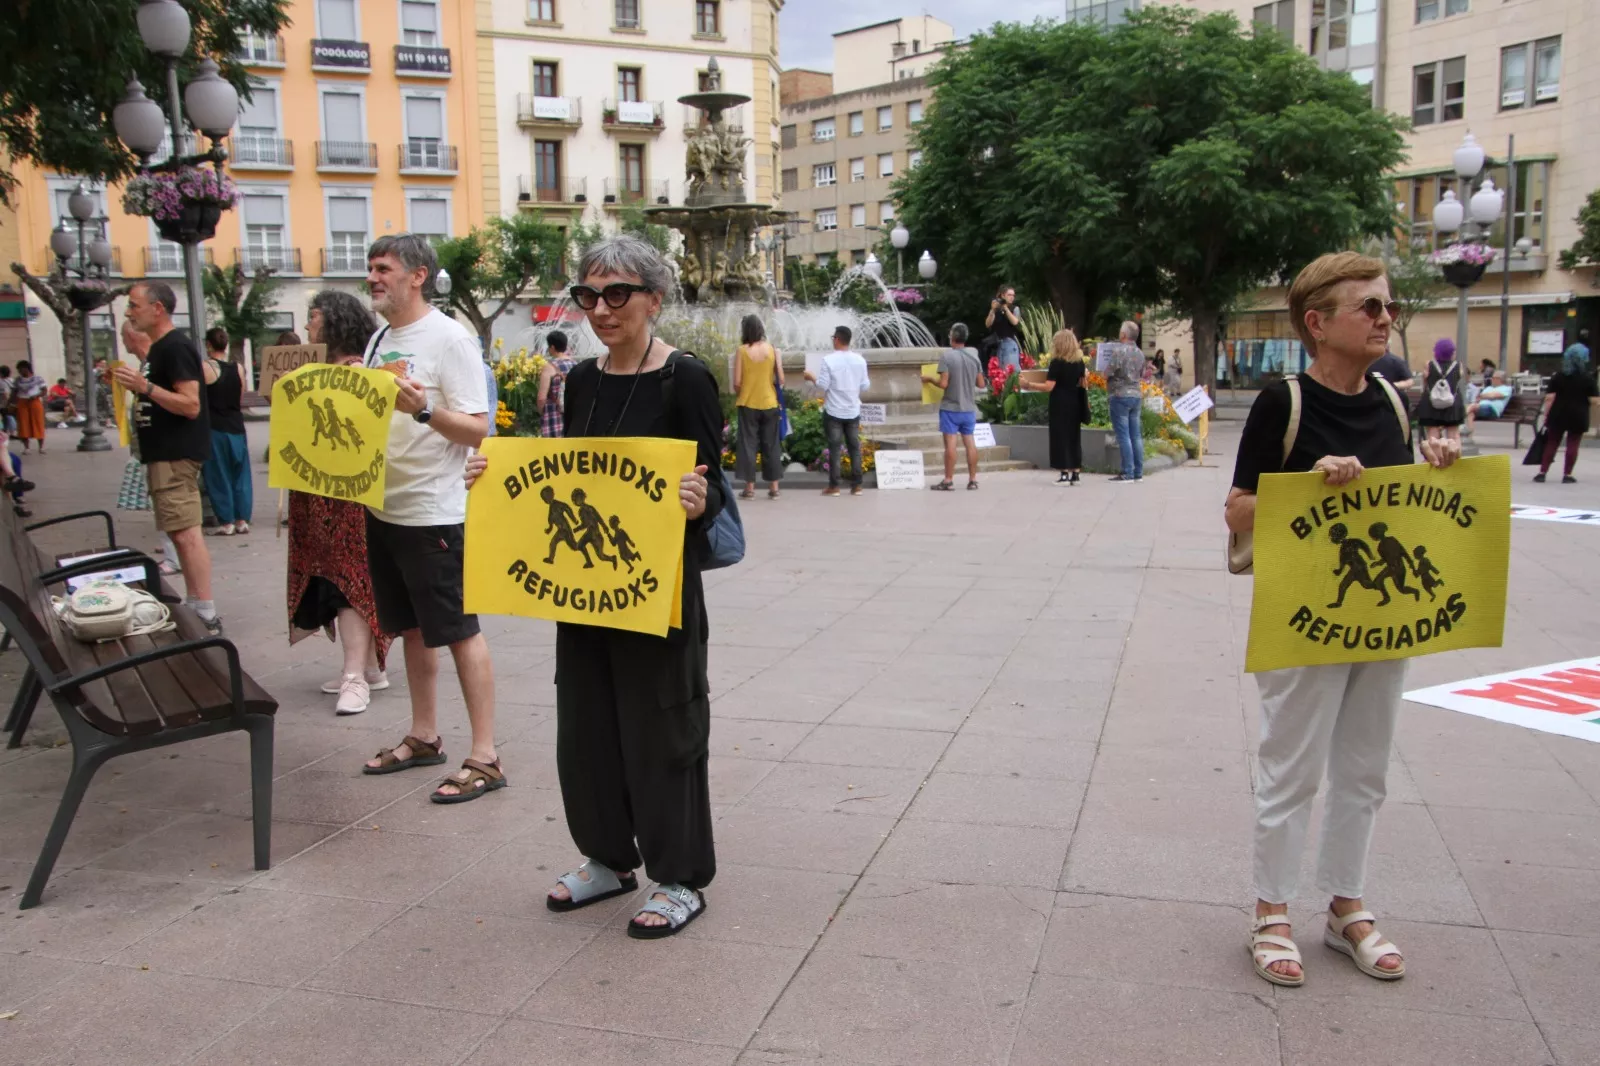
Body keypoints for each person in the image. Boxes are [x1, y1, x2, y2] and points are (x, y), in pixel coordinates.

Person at [464, 234, 725, 938]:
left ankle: (679, 875)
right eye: (588, 295)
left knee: (663, 727)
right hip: (582, 594)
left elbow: (716, 492)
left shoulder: (685, 379)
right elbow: (564, 478)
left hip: (657, 593)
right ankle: (607, 860)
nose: (600, 310)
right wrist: (492, 488)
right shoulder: (579, 380)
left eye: (617, 294)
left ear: (654, 299)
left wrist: (699, 503)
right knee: (587, 729)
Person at [1225, 250, 1461, 989]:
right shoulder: (1283, 403)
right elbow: (1236, 513)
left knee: (1365, 768)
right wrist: (1306, 489)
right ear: (1318, 323)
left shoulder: (1394, 399)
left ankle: (1346, 907)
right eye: (1370, 307)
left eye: (1387, 306)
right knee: (1291, 767)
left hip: (1384, 618)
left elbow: (1405, 505)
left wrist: (1440, 467)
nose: (1386, 319)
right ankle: (1271, 910)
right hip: (1306, 619)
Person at [355, 235, 497, 801]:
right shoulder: (380, 338)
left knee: (459, 631)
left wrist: (423, 410)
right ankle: (425, 735)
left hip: (435, 512)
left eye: (383, 268)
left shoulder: (450, 339)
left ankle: (486, 756)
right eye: (369, 268)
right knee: (412, 630)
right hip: (384, 507)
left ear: (417, 276)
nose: (373, 278)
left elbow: (478, 426)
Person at [287, 290, 393, 715]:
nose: (308, 326)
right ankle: (368, 667)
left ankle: (355, 676)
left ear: (333, 322)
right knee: (336, 576)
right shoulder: (315, 370)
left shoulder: (357, 371)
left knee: (348, 578)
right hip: (318, 492)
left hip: (348, 498)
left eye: (313, 318)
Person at [111, 282, 223, 635]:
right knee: (178, 531)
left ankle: (204, 608)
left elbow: (190, 404)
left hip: (176, 454)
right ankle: (196, 603)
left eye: (134, 305)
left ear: (157, 308)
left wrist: (145, 388)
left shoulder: (174, 347)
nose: (129, 312)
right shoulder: (163, 348)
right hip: (165, 454)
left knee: (186, 532)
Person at [198, 327, 253, 536]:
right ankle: (242, 520)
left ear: (209, 345)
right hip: (237, 426)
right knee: (241, 474)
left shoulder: (205, 367)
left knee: (218, 474)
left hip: (215, 427)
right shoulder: (237, 368)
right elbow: (240, 398)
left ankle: (227, 521)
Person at [805, 324, 870, 497]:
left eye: (833, 337)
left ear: (837, 339)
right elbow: (865, 385)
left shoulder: (828, 360)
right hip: (853, 410)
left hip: (833, 410)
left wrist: (811, 377)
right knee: (854, 448)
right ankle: (857, 486)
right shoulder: (860, 360)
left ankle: (834, 486)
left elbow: (823, 386)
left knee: (835, 448)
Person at [1018, 329, 1086, 485]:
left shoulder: (1057, 363)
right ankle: (1075, 474)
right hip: (1075, 400)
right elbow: (1083, 383)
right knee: (1074, 437)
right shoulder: (1079, 362)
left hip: (1060, 402)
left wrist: (1029, 385)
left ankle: (1063, 474)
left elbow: (1049, 386)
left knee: (1060, 437)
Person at [923, 323, 984, 491]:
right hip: (969, 408)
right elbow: (981, 383)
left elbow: (943, 384)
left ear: (953, 337)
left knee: (950, 444)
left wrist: (929, 379)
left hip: (950, 407)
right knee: (970, 442)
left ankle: (948, 480)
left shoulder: (947, 357)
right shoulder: (974, 356)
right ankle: (972, 480)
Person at [732, 313, 783, 500]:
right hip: (770, 402)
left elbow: (737, 382)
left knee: (748, 445)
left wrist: (743, 390)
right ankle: (774, 488)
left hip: (748, 403)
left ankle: (750, 489)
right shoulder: (772, 350)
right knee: (771, 444)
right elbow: (782, 379)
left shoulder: (742, 351)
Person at [1535, 343, 1599, 484]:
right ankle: (1567, 474)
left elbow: (1549, 398)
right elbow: (1595, 400)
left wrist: (1546, 414)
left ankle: (1542, 472)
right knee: (1573, 444)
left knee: (1552, 442)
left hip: (1558, 413)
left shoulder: (1558, 376)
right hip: (1579, 414)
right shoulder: (1588, 378)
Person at [1102, 321, 1146, 483]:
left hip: (1119, 395)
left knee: (1123, 435)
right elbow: (1141, 374)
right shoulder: (1140, 353)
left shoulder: (1118, 351)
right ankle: (1138, 472)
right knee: (1136, 435)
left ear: (1124, 335)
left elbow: (1107, 374)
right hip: (1136, 394)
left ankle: (1127, 472)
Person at [1417, 337, 1464, 445]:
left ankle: (1435, 460)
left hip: (1431, 403)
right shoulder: (1458, 365)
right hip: (1452, 403)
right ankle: (1454, 458)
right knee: (1454, 435)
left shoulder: (1428, 364)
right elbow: (1458, 379)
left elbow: (1425, 382)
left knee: (1433, 436)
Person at [537, 330, 577, 438]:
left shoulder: (549, 367)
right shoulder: (576, 365)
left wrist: (542, 413)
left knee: (553, 452)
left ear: (552, 347)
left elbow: (541, 398)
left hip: (553, 416)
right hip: (573, 416)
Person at [985, 285, 1022, 372]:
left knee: (1011, 373)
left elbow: (1015, 321)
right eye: (1009, 295)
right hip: (997, 344)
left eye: (1013, 295)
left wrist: (1005, 308)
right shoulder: (996, 309)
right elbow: (988, 324)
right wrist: (992, 310)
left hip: (1010, 343)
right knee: (1000, 374)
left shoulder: (1015, 308)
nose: (1012, 297)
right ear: (1002, 295)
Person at [11, 361, 46, 453]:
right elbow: (13, 393)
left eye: (21, 369)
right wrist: (11, 404)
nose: (20, 372)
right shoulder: (17, 380)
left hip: (35, 402)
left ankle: (41, 447)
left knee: (38, 423)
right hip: (22, 402)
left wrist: (37, 395)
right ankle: (27, 448)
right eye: (18, 370)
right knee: (23, 424)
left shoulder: (38, 378)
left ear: (27, 369)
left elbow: (44, 391)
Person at [1464, 371, 1512, 437]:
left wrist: (1484, 396)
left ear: (1500, 379)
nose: (1491, 379)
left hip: (1492, 409)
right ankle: (1469, 436)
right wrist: (1487, 396)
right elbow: (1479, 397)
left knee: (1472, 406)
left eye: (1493, 378)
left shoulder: (1507, 388)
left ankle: (1462, 415)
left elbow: (1495, 396)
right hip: (1481, 408)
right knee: (1470, 414)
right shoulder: (1488, 388)